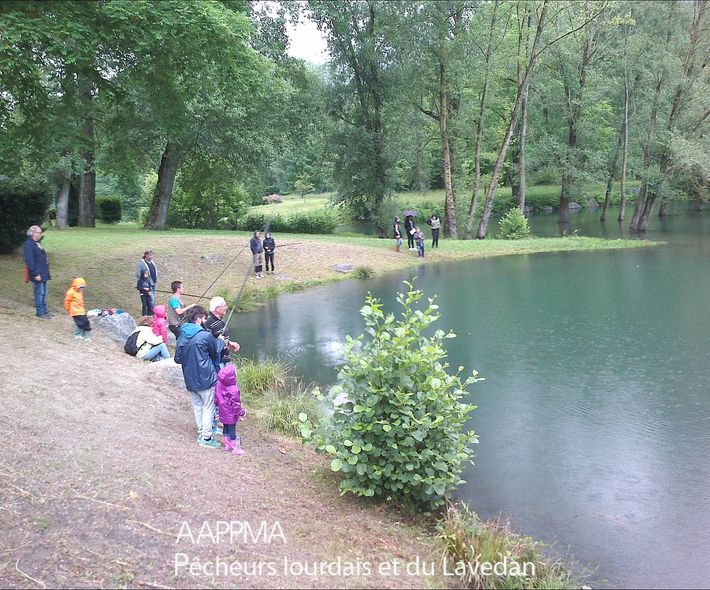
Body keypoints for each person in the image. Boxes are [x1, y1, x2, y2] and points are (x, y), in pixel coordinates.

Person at [174, 306, 239, 449]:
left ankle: (202, 432)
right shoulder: (205, 335)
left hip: (190, 379)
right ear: (198, 319)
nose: (205, 321)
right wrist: (221, 341)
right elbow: (215, 351)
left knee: (198, 406)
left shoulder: (182, 335)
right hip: (206, 378)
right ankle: (207, 437)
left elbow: (177, 359)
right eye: (203, 318)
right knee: (208, 407)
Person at [215, 364, 246, 456]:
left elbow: (216, 397)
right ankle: (235, 448)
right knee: (232, 429)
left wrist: (218, 406)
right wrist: (242, 413)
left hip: (222, 411)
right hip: (230, 414)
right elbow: (236, 404)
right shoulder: (233, 389)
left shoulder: (219, 384)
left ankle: (227, 445)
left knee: (225, 427)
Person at [23, 225, 51, 319]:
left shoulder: (37, 243)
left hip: (43, 273)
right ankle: (40, 312)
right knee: (39, 293)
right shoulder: (29, 244)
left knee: (44, 293)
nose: (40, 234)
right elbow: (29, 261)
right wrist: (35, 274)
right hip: (37, 274)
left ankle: (45, 311)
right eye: (39, 232)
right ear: (34, 233)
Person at [204, 296, 239, 368]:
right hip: (218, 361)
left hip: (224, 359)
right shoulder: (209, 322)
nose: (226, 308)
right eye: (224, 306)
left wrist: (230, 343)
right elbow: (211, 342)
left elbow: (220, 338)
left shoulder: (219, 321)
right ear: (217, 308)